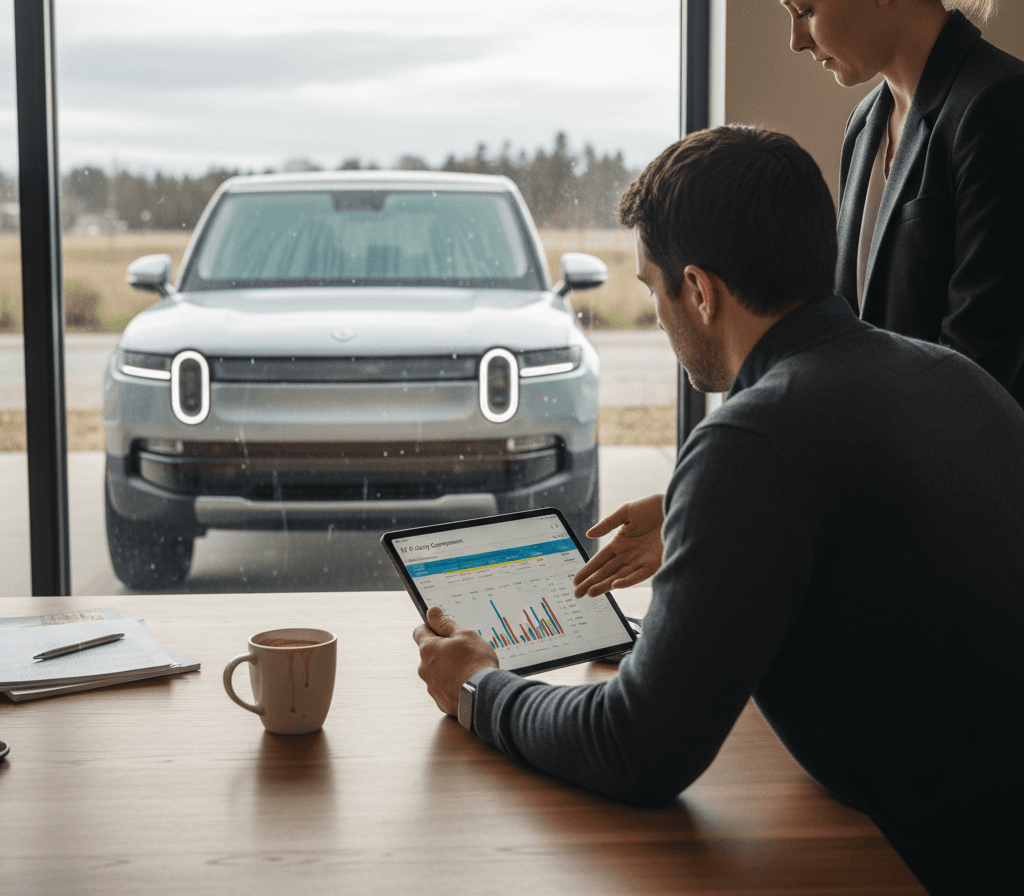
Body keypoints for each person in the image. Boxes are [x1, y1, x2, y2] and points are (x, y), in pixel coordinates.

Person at [413, 126, 1024, 896]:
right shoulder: (954, 378)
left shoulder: (752, 435)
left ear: (699, 291)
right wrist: (696, 549)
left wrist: (479, 688)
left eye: (653, 288)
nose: (661, 314)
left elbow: (641, 752)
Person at [758, 0, 1024, 408]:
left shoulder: (999, 105)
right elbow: (849, 328)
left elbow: (981, 359)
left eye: (805, 10)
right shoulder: (864, 125)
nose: (795, 40)